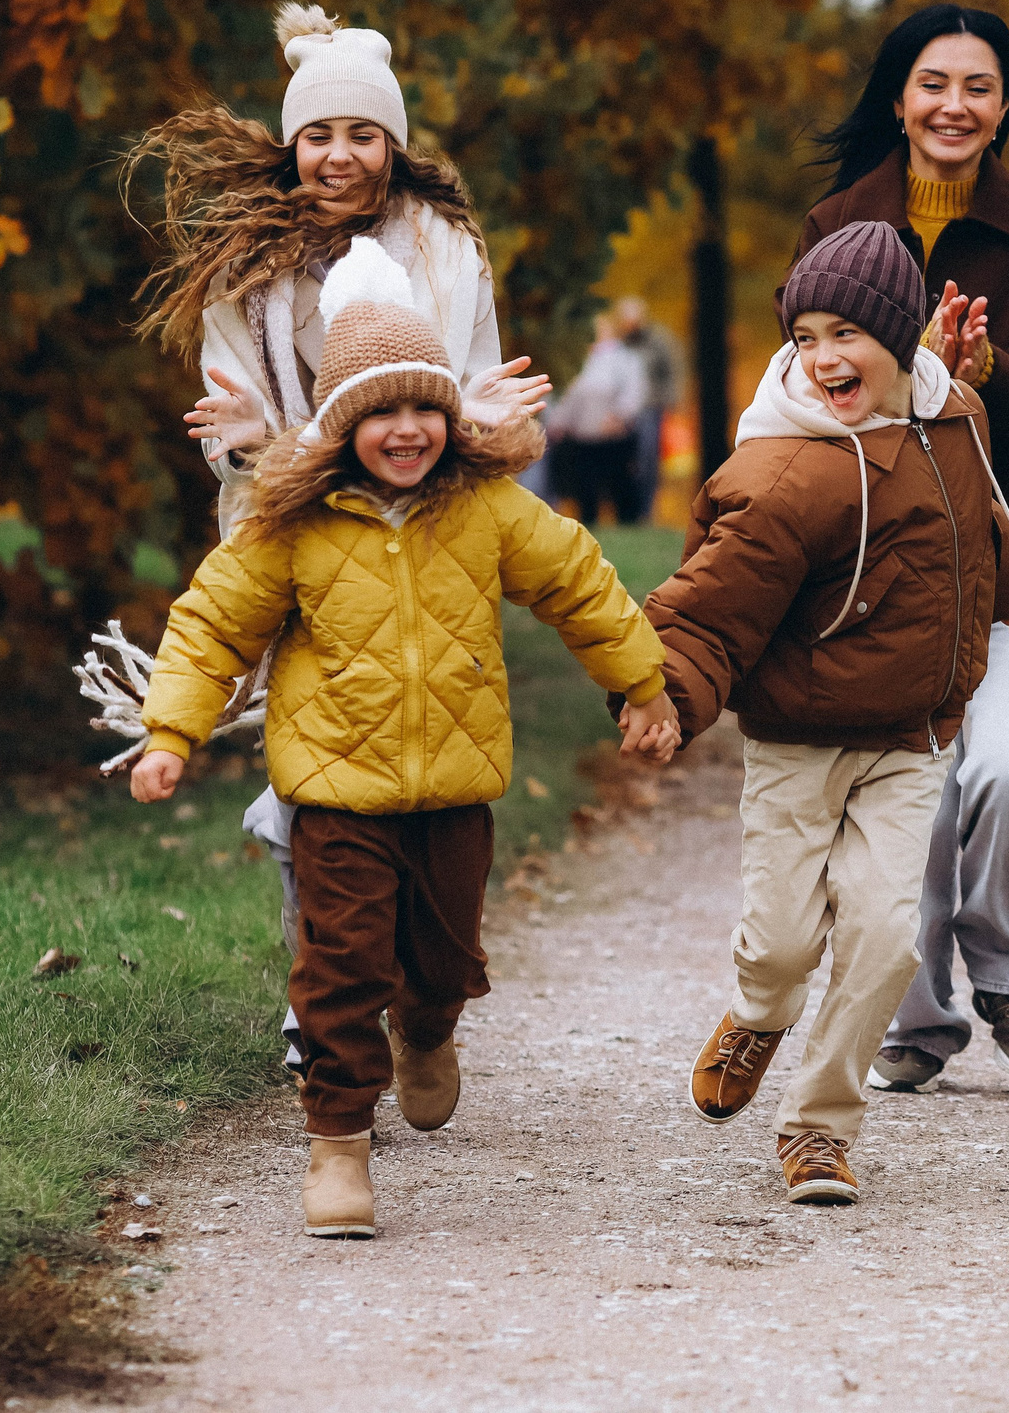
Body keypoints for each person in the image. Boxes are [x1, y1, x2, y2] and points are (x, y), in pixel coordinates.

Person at [129, 239, 677, 1238]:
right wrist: (173, 730)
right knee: (340, 969)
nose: (407, 428)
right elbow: (211, 623)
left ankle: (428, 1028)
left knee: (443, 956)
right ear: (343, 426)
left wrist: (640, 683)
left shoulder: (488, 508)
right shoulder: (289, 525)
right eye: (381, 410)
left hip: (456, 788)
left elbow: (579, 582)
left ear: (450, 416)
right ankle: (337, 1144)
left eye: (424, 406)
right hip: (335, 790)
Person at [129, 1, 550, 1067]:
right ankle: (322, 997)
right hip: (289, 527)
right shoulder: (247, 266)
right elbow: (234, 423)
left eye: (362, 133)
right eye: (318, 134)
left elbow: (471, 388)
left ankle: (414, 986)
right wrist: (253, 443)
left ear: (394, 143)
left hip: (422, 524)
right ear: (291, 144)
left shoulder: (444, 248)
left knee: (405, 765)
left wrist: (494, 428)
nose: (339, 154)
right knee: (306, 775)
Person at [644, 222, 1009, 1205]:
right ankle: (756, 1011)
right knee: (783, 945)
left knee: (884, 938)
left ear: (902, 338)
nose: (825, 356)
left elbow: (980, 521)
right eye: (807, 334)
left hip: (910, 740)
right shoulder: (786, 467)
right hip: (798, 743)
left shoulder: (956, 419)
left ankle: (818, 1126)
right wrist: (661, 691)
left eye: (848, 333)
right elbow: (708, 608)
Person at [797, 4, 1009, 1092]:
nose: (954, 106)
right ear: (899, 97)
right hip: (884, 551)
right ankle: (910, 1018)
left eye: (978, 88)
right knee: (912, 787)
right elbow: (810, 380)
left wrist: (981, 376)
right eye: (935, 84)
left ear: (1004, 107)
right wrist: (902, 371)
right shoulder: (837, 224)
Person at [546, 310, 652, 527]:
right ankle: (590, 525)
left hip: (615, 435)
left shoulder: (624, 358)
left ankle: (628, 526)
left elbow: (635, 390)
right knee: (585, 487)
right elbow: (567, 395)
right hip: (583, 436)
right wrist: (559, 422)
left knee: (621, 484)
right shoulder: (577, 359)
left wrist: (621, 416)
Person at [616, 294, 685, 517]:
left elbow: (672, 372)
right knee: (624, 460)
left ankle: (646, 510)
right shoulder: (620, 343)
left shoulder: (658, 339)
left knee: (647, 458)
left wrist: (671, 403)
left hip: (650, 407)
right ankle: (626, 511)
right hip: (623, 410)